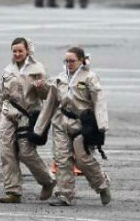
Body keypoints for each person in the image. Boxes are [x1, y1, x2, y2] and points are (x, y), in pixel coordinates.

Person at [29, 47, 111, 206]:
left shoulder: (90, 78)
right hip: (61, 122)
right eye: (66, 61)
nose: (69, 64)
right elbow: (50, 104)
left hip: (82, 124)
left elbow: (99, 101)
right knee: (61, 159)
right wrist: (39, 128)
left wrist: (102, 125)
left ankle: (102, 185)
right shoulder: (60, 79)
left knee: (83, 159)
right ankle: (66, 195)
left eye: (72, 61)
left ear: (81, 60)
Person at [0, 37, 55, 203]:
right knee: (6, 153)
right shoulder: (8, 70)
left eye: (20, 51)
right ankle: (12, 191)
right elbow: (1, 95)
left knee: (26, 153)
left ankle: (48, 181)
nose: (17, 54)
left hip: (28, 115)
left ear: (27, 51)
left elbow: (47, 95)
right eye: (14, 51)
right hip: (8, 115)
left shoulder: (38, 69)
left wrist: (41, 86)